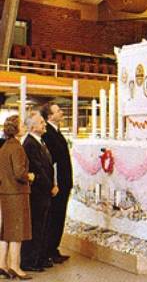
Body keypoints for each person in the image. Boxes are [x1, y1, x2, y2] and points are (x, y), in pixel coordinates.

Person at [21, 111, 57, 273]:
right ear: (33, 126)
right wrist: (50, 186)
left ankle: (39, 257)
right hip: (37, 192)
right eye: (41, 122)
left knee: (43, 225)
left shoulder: (40, 142)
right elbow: (38, 169)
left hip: (44, 191)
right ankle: (30, 260)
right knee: (36, 226)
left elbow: (48, 166)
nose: (44, 125)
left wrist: (53, 184)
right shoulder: (29, 144)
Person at [0, 115, 34, 280]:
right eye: (22, 124)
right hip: (17, 193)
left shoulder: (5, 146)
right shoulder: (17, 148)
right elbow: (19, 173)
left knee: (5, 230)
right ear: (16, 129)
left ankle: (2, 264)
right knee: (17, 232)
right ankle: (15, 266)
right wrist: (30, 176)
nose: (24, 126)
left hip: (4, 193)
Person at [41, 103, 72, 264]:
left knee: (59, 216)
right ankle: (48, 250)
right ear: (49, 116)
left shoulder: (56, 132)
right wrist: (55, 183)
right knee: (54, 216)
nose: (61, 112)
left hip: (64, 181)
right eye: (58, 110)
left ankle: (54, 248)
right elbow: (51, 162)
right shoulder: (48, 134)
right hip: (58, 183)